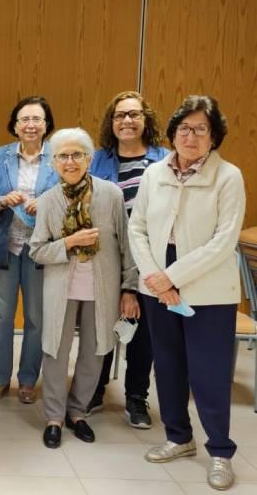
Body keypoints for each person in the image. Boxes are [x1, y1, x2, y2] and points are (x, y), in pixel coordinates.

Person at [128, 95, 245, 491]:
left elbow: (224, 240)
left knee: (208, 371)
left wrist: (172, 277)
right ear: (172, 133)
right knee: (169, 363)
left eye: (200, 129)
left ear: (214, 137)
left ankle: (220, 451)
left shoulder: (228, 176)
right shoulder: (153, 174)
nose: (190, 136)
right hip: (158, 284)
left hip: (207, 289)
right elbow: (137, 228)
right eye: (183, 128)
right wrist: (153, 276)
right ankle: (179, 437)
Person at [28, 128, 137, 449]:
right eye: (63, 156)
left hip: (102, 289)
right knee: (55, 353)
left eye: (77, 155)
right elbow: (37, 250)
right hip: (61, 288)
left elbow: (126, 246)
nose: (70, 161)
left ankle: (78, 413)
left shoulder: (111, 195)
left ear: (89, 159)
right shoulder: (48, 201)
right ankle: (53, 417)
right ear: (54, 163)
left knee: (95, 352)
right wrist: (69, 242)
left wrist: (129, 287)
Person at [87, 90, 169, 426]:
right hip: (107, 255)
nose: (127, 121)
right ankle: (95, 389)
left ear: (146, 119)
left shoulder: (164, 160)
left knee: (143, 333)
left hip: (151, 255)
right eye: (120, 115)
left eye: (134, 114)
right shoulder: (98, 160)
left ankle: (137, 398)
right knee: (103, 326)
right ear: (112, 122)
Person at [0, 96, 58, 404]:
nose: (30, 124)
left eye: (37, 119)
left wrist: (47, 204)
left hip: (41, 249)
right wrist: (0, 201)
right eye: (24, 119)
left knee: (36, 319)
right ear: (15, 125)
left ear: (46, 125)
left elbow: (71, 197)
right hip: (5, 247)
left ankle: (28, 380)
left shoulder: (58, 157)